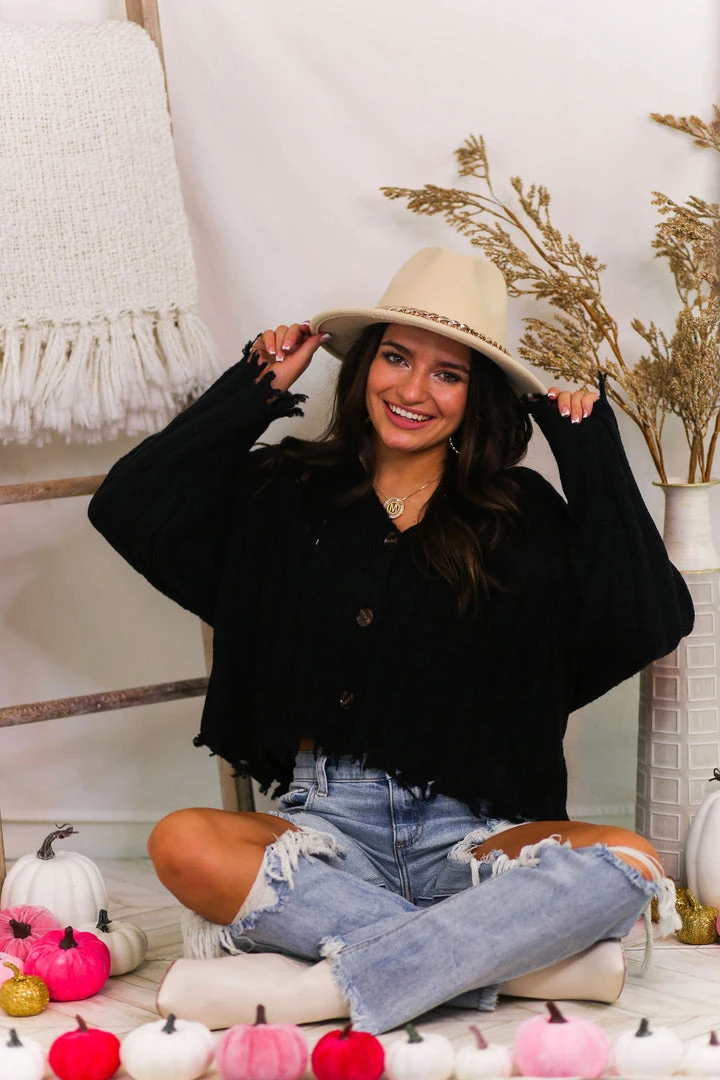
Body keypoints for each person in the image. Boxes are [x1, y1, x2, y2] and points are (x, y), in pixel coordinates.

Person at [88, 247, 694, 1035]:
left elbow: (650, 616)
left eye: (448, 374)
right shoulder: (286, 491)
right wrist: (254, 387)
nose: (411, 391)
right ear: (363, 365)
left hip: (476, 835)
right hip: (324, 828)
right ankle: (511, 963)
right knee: (184, 843)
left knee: (632, 862)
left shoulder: (519, 512)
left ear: (476, 396)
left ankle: (322, 988)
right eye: (396, 358)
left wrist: (590, 451)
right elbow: (129, 505)